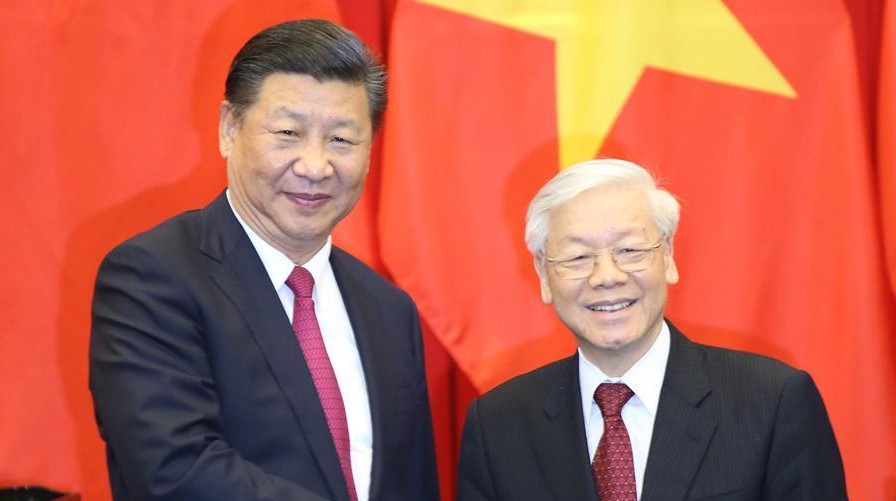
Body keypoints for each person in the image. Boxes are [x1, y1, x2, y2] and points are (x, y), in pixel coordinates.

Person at [90, 19, 439, 501]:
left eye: (341, 139)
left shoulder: (388, 309)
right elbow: (174, 470)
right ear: (229, 129)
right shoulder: (152, 277)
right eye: (289, 132)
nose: (315, 166)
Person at [456, 159, 846, 501]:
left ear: (668, 255)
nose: (606, 276)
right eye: (578, 256)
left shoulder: (772, 401)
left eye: (629, 250)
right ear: (544, 274)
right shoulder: (497, 425)